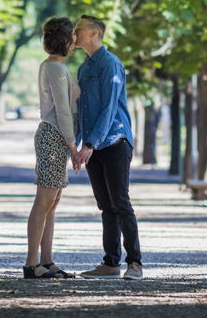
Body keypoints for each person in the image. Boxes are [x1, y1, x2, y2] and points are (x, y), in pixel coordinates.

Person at [72, 15, 143, 280]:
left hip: (114, 141)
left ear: (94, 32)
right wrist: (77, 144)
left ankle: (135, 263)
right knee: (106, 206)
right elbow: (82, 110)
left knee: (121, 202)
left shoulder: (111, 64)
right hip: (93, 145)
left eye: (78, 29)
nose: (74, 34)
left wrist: (90, 143)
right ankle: (111, 262)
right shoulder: (83, 68)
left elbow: (109, 107)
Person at [23, 17, 80, 279]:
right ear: (66, 41)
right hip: (53, 137)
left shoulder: (57, 67)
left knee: (52, 201)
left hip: (56, 138)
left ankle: (46, 260)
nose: (76, 41)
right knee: (43, 201)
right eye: (73, 38)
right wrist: (72, 144)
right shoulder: (55, 69)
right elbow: (63, 110)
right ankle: (31, 263)